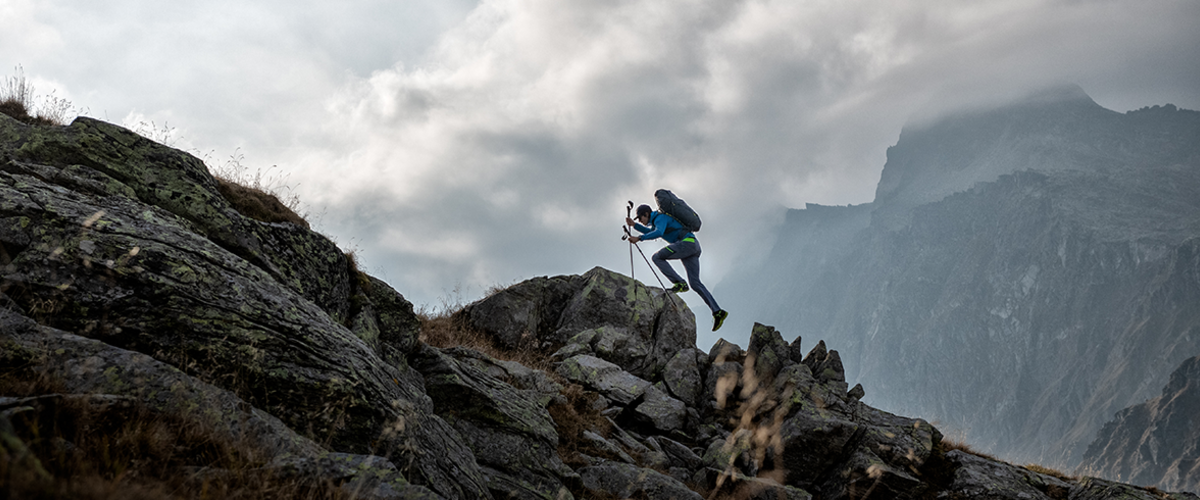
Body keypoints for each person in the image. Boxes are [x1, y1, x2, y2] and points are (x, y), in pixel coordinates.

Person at [626, 203, 729, 331]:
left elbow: (658, 232)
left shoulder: (660, 218)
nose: (641, 221)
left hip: (686, 244)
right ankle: (717, 311)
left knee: (657, 257)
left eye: (640, 219)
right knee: (695, 283)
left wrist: (639, 238)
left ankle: (680, 283)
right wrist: (634, 226)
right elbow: (651, 231)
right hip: (693, 245)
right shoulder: (658, 220)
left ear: (646, 214)